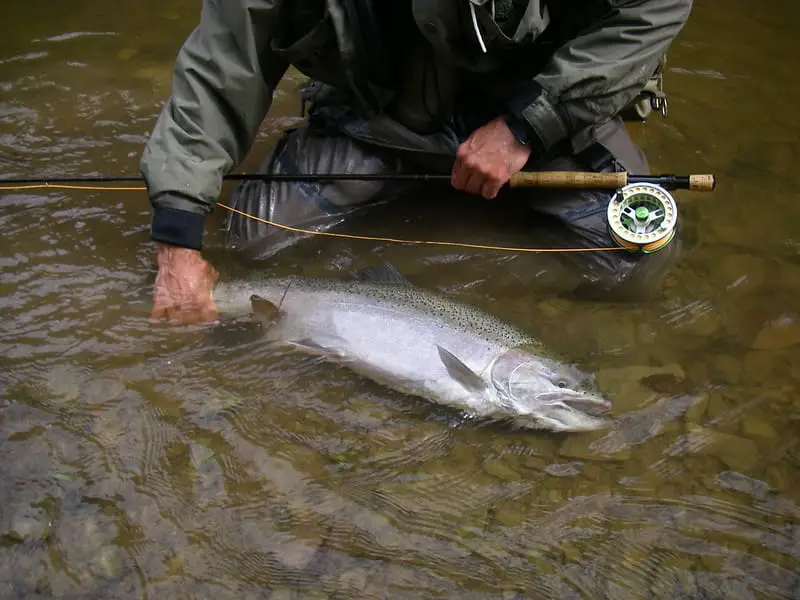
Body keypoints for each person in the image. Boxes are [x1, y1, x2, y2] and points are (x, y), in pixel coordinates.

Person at [141, 0, 693, 324]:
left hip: (543, 125)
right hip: (380, 121)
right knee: (253, 242)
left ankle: (458, 292)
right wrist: (177, 239)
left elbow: (652, 9)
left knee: (636, 264)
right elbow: (220, 71)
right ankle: (394, 293)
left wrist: (529, 125)